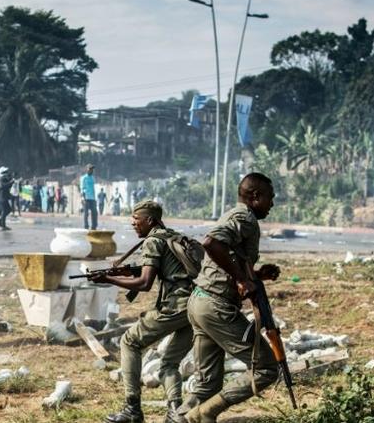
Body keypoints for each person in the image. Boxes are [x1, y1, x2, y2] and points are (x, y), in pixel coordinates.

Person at [176, 172, 280, 423]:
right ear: (255, 197)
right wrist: (243, 279)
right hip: (216, 307)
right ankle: (206, 413)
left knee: (207, 385)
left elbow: (227, 257)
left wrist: (254, 275)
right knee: (266, 369)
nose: (272, 204)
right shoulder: (244, 217)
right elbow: (212, 243)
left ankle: (180, 418)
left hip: (202, 301)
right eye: (269, 198)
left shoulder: (237, 216)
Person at [93, 201, 195, 423]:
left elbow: (145, 283)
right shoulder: (173, 236)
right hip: (195, 308)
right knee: (169, 362)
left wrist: (108, 278)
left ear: (149, 220)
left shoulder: (153, 241)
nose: (132, 223)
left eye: (136, 218)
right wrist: (125, 272)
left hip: (175, 306)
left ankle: (132, 409)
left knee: (129, 342)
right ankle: (175, 412)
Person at [81, 164, 98, 229]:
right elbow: (82, 188)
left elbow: (93, 189)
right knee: (86, 213)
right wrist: (83, 198)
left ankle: (94, 226)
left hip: (92, 198)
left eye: (92, 169)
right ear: (87, 169)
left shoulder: (93, 178)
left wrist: (94, 198)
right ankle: (86, 226)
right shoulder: (84, 178)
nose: (91, 170)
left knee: (94, 212)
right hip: (86, 198)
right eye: (90, 169)